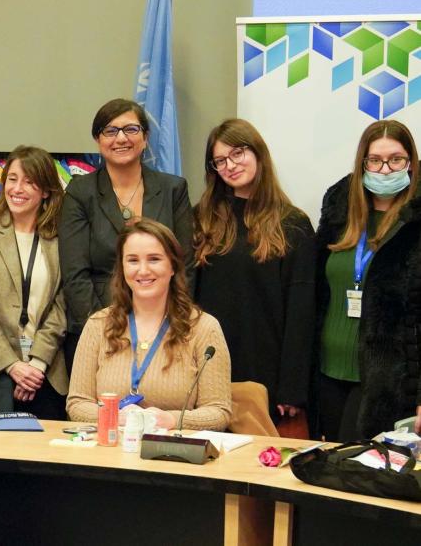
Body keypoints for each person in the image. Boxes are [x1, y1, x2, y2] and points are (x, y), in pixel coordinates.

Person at [192, 119, 314, 430]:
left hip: (266, 371)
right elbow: (187, 297)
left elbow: (301, 312)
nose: (230, 166)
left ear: (258, 153)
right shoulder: (202, 219)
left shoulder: (293, 224)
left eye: (238, 153)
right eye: (220, 160)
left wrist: (292, 387)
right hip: (207, 366)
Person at [67, 219, 231, 431]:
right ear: (122, 267)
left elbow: (219, 411)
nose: (143, 270)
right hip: (111, 447)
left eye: (154, 259)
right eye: (133, 260)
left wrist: (172, 420)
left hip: (172, 449)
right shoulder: (98, 325)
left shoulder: (204, 328)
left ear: (173, 266)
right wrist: (114, 416)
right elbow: (77, 404)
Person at [315, 119, 421, 440]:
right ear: (363, 164)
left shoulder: (414, 223)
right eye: (375, 160)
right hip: (327, 372)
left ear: (411, 163)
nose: (385, 170)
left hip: (387, 381)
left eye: (396, 159)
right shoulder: (339, 213)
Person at [60, 98, 195, 348]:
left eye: (131, 129)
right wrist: (106, 329)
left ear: (145, 137)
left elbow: (185, 265)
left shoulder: (173, 189)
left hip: (165, 327)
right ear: (98, 140)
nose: (121, 138)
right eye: (110, 131)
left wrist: (169, 322)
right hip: (98, 327)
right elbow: (75, 275)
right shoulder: (80, 192)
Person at [0, 145, 69, 419]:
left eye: (29, 181)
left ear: (46, 191)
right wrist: (13, 366)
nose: (17, 188)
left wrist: (36, 364)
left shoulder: (60, 239)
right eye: (12, 179)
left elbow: (61, 308)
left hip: (45, 374)